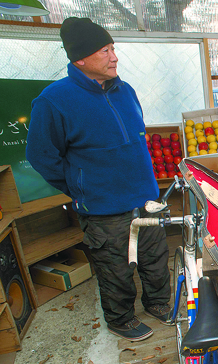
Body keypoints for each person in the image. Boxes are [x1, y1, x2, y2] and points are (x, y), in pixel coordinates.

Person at [26, 17, 172, 341]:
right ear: (81, 59)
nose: (114, 56)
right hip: (104, 208)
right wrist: (80, 187)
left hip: (146, 198)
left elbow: (136, 137)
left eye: (113, 48)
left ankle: (159, 303)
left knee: (155, 258)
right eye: (105, 50)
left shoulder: (126, 90)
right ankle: (121, 319)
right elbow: (40, 155)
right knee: (116, 268)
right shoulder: (54, 101)